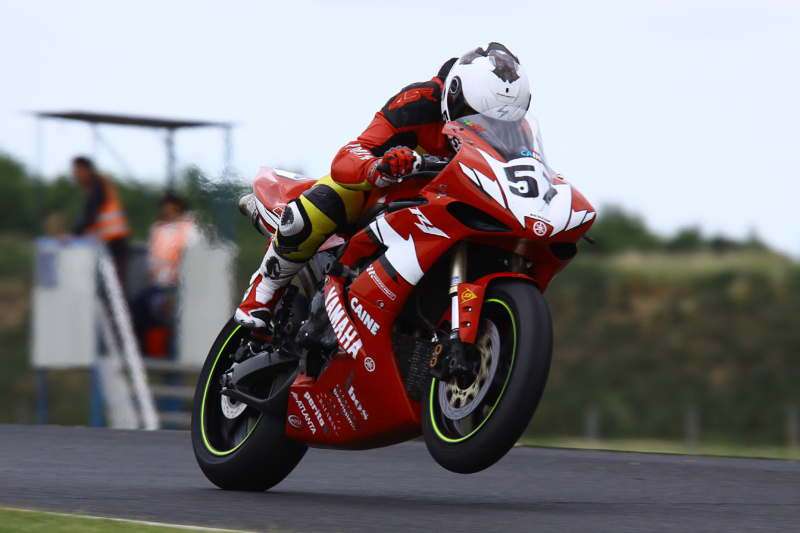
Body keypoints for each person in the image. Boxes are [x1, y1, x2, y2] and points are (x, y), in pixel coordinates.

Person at [235, 42, 532, 330]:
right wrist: (379, 167)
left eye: (502, 123)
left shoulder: (518, 131)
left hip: (450, 210)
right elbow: (350, 155)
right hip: (388, 193)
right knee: (323, 201)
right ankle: (264, 289)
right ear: (453, 96)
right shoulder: (418, 102)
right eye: (474, 115)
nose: (490, 128)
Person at [132, 191, 203, 349]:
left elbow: (194, 257)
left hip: (179, 284)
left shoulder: (189, 229)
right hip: (159, 283)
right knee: (138, 307)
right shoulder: (159, 228)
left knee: (167, 310)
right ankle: (148, 349)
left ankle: (168, 349)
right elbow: (153, 255)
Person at [69, 156, 131, 280]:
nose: (76, 176)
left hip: (113, 241)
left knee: (115, 283)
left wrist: (74, 234)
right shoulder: (95, 187)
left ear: (87, 170)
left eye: (78, 171)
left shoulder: (97, 187)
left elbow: (89, 215)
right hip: (108, 241)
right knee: (114, 283)